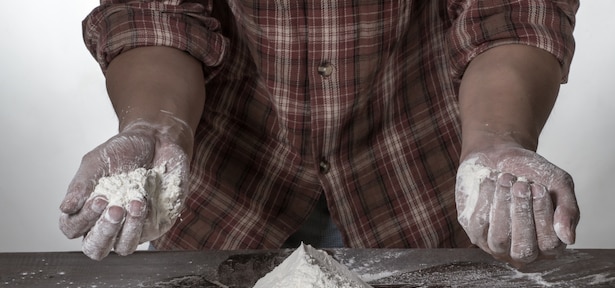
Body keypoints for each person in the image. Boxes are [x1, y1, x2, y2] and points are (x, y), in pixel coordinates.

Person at [60, 0, 580, 266]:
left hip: (413, 173)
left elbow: (512, 11)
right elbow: (154, 14)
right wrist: (156, 124)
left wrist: (497, 137)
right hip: (231, 186)